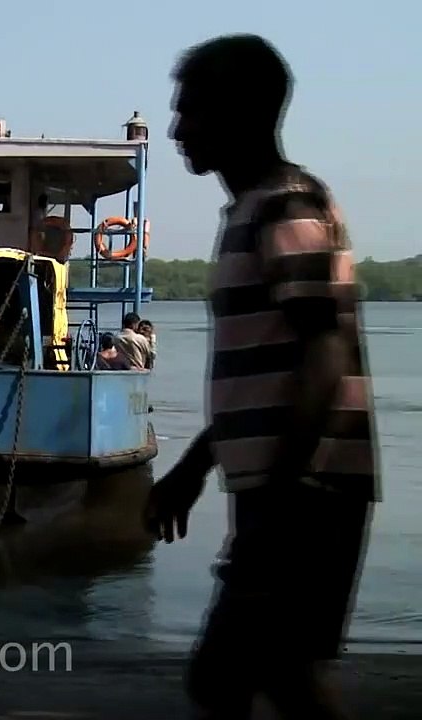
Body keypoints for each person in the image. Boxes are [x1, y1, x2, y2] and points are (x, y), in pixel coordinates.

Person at [145, 34, 379, 720]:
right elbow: (264, 379)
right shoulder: (250, 212)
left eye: (191, 111)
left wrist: (282, 488)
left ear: (240, 113)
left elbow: (325, 354)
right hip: (290, 488)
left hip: (309, 489)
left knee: (226, 676)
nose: (177, 130)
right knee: (279, 673)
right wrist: (193, 468)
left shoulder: (288, 206)